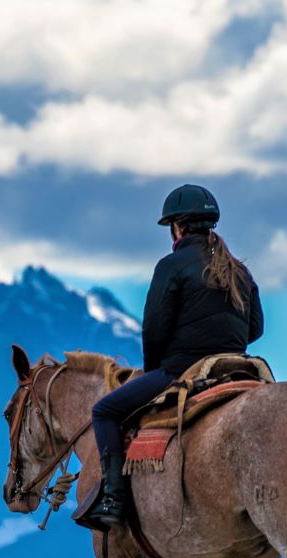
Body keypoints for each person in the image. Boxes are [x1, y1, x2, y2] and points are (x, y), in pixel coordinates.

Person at [76, 185, 263, 530]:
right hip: (237, 369)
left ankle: (114, 498)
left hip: (182, 370)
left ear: (177, 227)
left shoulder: (172, 265)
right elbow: (255, 329)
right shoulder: (240, 271)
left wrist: (154, 371)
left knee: (104, 411)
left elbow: (155, 329)